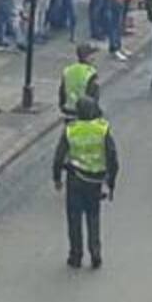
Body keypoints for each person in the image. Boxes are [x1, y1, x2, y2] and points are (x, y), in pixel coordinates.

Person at [52, 97, 119, 269]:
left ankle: (75, 255)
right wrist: (111, 181)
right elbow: (112, 156)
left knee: (74, 219)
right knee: (93, 217)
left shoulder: (71, 130)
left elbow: (59, 156)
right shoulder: (102, 129)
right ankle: (95, 252)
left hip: (75, 179)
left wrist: (57, 178)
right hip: (95, 181)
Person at [59, 43, 101, 118]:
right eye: (92, 55)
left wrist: (62, 106)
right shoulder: (91, 73)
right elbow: (93, 97)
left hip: (67, 109)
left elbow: (62, 91)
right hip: (83, 111)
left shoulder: (68, 70)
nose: (94, 58)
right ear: (86, 57)